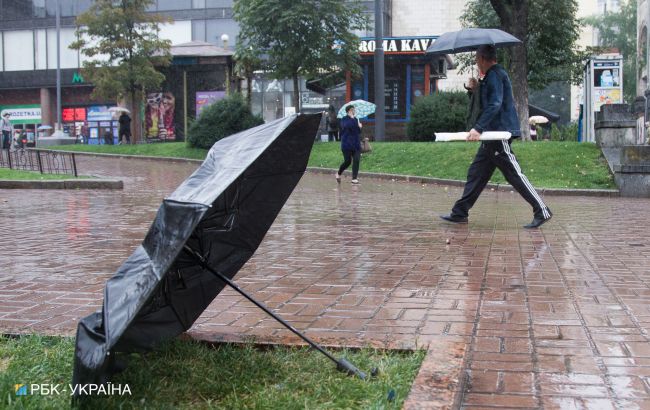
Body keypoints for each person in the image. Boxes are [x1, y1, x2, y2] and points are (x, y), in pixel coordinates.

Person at [440, 45, 552, 229]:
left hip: (498, 134)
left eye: (476, 59)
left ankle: (542, 210)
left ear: (483, 58)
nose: (476, 63)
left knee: (514, 174)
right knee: (476, 173)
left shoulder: (495, 75)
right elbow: (486, 104)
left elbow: (494, 104)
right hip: (491, 136)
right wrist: (474, 89)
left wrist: (477, 128)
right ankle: (459, 212)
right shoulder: (491, 76)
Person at [335, 105, 362, 184]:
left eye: (354, 110)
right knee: (348, 161)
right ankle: (338, 173)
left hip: (356, 144)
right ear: (348, 111)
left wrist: (359, 127)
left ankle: (354, 178)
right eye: (352, 110)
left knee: (356, 160)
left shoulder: (356, 119)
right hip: (347, 144)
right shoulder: (344, 119)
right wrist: (353, 119)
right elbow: (347, 126)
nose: (354, 111)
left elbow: (357, 132)